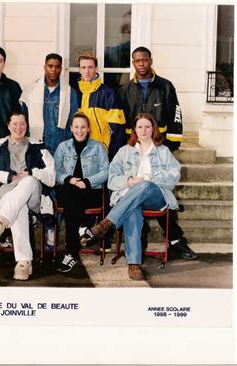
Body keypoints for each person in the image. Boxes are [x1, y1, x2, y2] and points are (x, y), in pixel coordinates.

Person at [117, 46, 196, 260]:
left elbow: (176, 117)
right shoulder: (124, 89)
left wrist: (170, 147)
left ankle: (176, 241)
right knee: (139, 192)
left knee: (160, 193)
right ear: (133, 63)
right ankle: (139, 238)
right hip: (134, 149)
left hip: (159, 148)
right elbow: (119, 121)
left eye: (144, 60)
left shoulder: (165, 86)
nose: (141, 64)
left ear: (151, 60)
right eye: (137, 61)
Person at [83, 113, 181, 280]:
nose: (144, 130)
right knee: (133, 211)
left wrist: (152, 178)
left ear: (153, 129)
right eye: (140, 127)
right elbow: (112, 179)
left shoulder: (163, 151)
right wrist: (128, 181)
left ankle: (107, 222)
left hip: (155, 196)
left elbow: (174, 175)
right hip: (130, 198)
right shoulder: (124, 151)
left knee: (144, 185)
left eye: (147, 126)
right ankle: (133, 264)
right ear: (134, 129)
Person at [0, 111, 55, 281]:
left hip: (33, 195)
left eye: (22, 124)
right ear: (8, 126)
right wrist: (7, 177)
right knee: (19, 207)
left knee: (28, 182)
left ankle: (1, 221)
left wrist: (32, 173)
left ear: (27, 126)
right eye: (15, 124)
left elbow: (51, 177)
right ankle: (23, 263)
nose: (19, 128)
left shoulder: (38, 146)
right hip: (7, 195)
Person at [20, 53, 80, 250]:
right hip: (39, 147)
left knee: (59, 189)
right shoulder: (31, 92)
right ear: (44, 66)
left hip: (61, 148)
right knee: (40, 188)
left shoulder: (70, 93)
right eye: (50, 66)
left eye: (57, 67)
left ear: (61, 69)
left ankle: (53, 231)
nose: (53, 70)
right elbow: (25, 123)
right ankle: (41, 227)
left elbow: (73, 123)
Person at [53, 112, 109, 272]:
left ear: (88, 128)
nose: (80, 130)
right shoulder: (62, 147)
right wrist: (69, 178)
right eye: (76, 127)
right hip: (68, 191)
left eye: (83, 127)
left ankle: (72, 251)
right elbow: (54, 171)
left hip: (90, 192)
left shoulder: (98, 147)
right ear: (71, 128)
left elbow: (106, 171)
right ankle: (81, 232)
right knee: (70, 191)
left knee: (72, 199)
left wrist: (87, 182)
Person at [76, 52, 126, 161]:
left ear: (96, 68)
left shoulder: (108, 93)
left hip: (102, 153)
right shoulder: (75, 94)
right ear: (79, 69)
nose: (87, 71)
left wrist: (111, 154)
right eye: (83, 67)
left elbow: (117, 129)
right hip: (80, 153)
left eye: (90, 67)